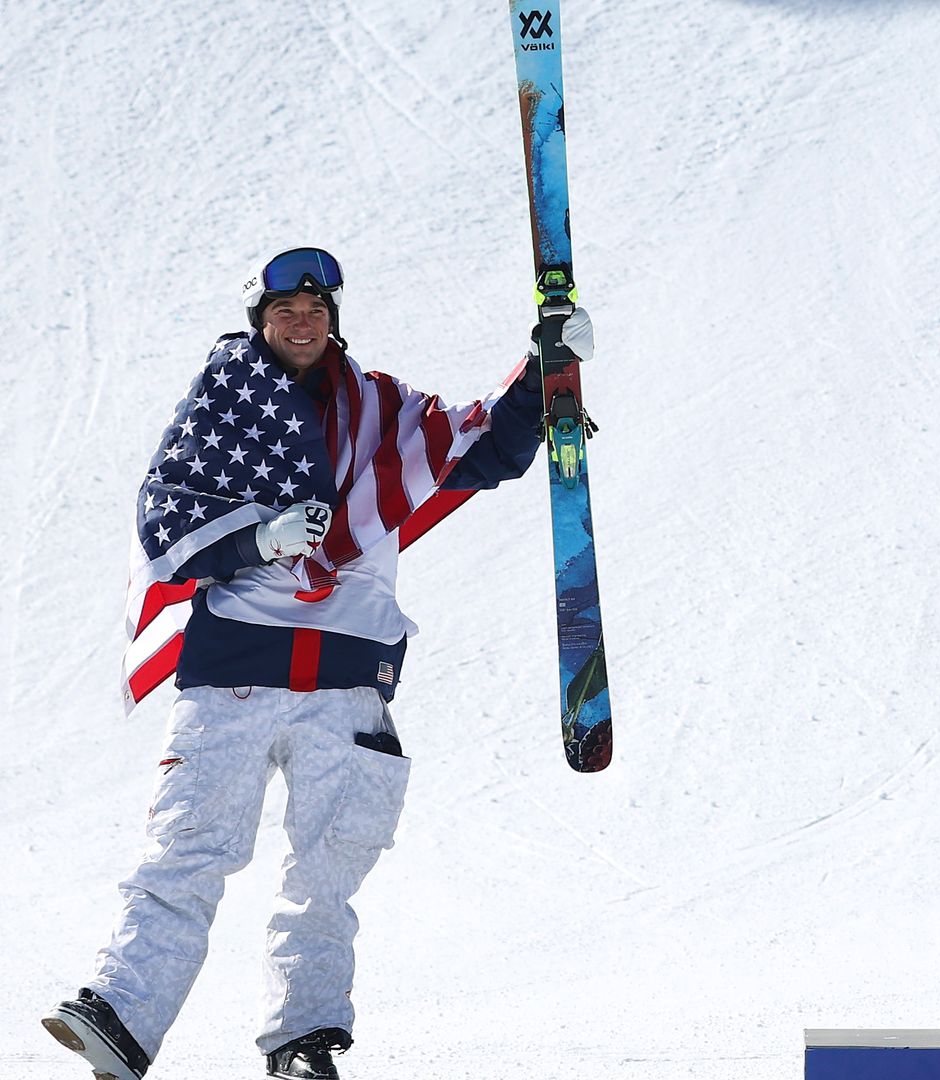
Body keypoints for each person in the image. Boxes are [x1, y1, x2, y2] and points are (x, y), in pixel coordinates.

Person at [41, 247, 594, 1080]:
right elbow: (168, 518)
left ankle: (303, 1041)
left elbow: (482, 449)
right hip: (234, 670)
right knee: (187, 847)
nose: (302, 324)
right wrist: (256, 538)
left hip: (348, 678)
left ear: (334, 320)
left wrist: (545, 370)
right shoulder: (220, 410)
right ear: (259, 322)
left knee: (325, 873)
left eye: (316, 311)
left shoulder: (386, 410)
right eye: (284, 313)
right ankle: (121, 1012)